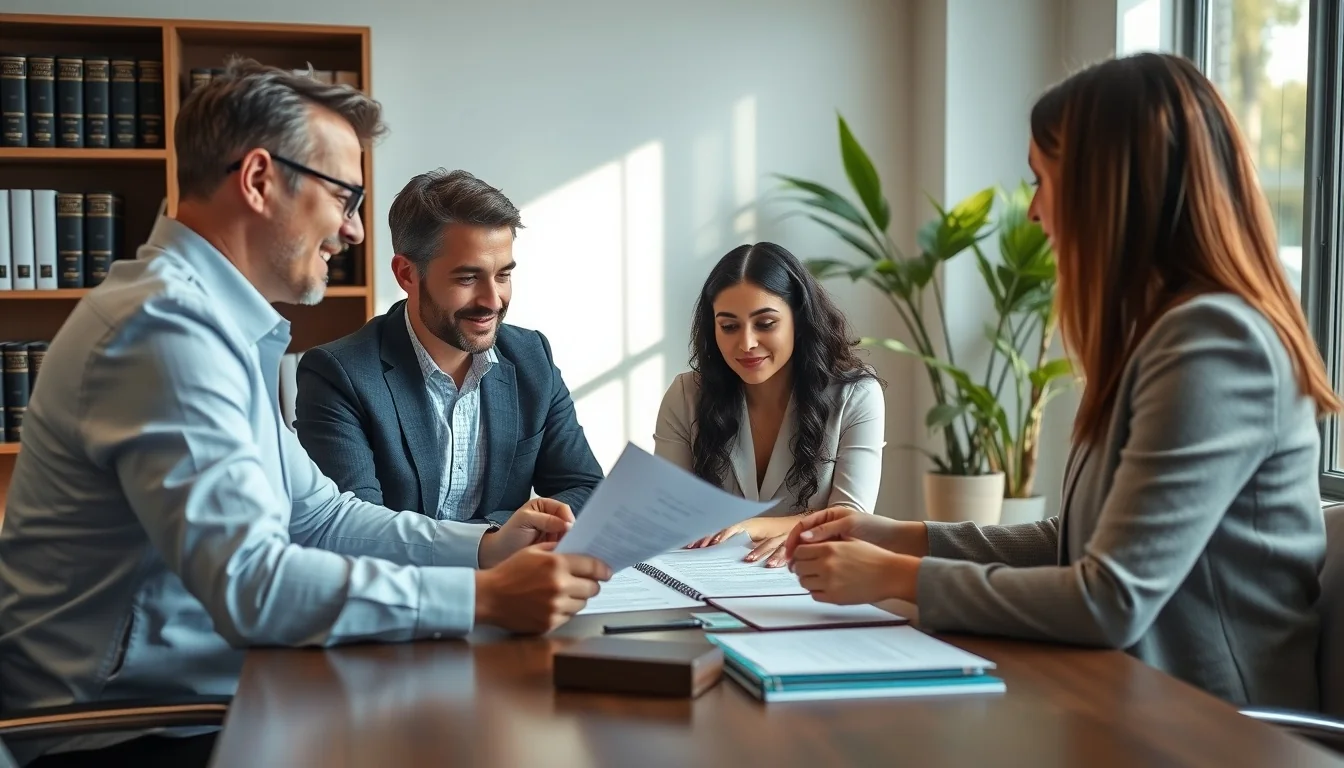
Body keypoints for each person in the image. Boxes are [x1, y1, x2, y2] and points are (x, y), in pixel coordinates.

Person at [0, 59, 610, 768]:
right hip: (127, 731)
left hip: (215, 698)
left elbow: (321, 518)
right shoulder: (163, 331)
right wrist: (481, 598)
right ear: (260, 179)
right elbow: (253, 584)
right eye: (344, 196)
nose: (353, 231)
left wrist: (483, 549)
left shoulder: (215, 327)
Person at [784, 52, 1339, 711]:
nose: (1034, 213)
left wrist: (900, 576)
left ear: (1109, 188)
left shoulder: (1216, 344)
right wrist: (897, 534)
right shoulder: (1158, 336)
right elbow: (1072, 541)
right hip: (1126, 697)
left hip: (1212, 729)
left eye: (1043, 181)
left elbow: (1112, 600)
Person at [293, 168, 602, 526]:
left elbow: (585, 489)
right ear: (407, 274)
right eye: (468, 278)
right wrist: (491, 542)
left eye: (503, 275)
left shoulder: (532, 357)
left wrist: (498, 535)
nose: (493, 300)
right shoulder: (338, 374)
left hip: (509, 579)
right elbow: (356, 529)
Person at [653, 242, 886, 567]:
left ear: (799, 320)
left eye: (765, 324)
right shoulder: (685, 395)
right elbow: (668, 514)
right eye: (729, 326)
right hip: (704, 582)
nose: (746, 343)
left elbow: (852, 521)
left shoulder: (856, 394)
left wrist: (749, 527)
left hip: (811, 581)